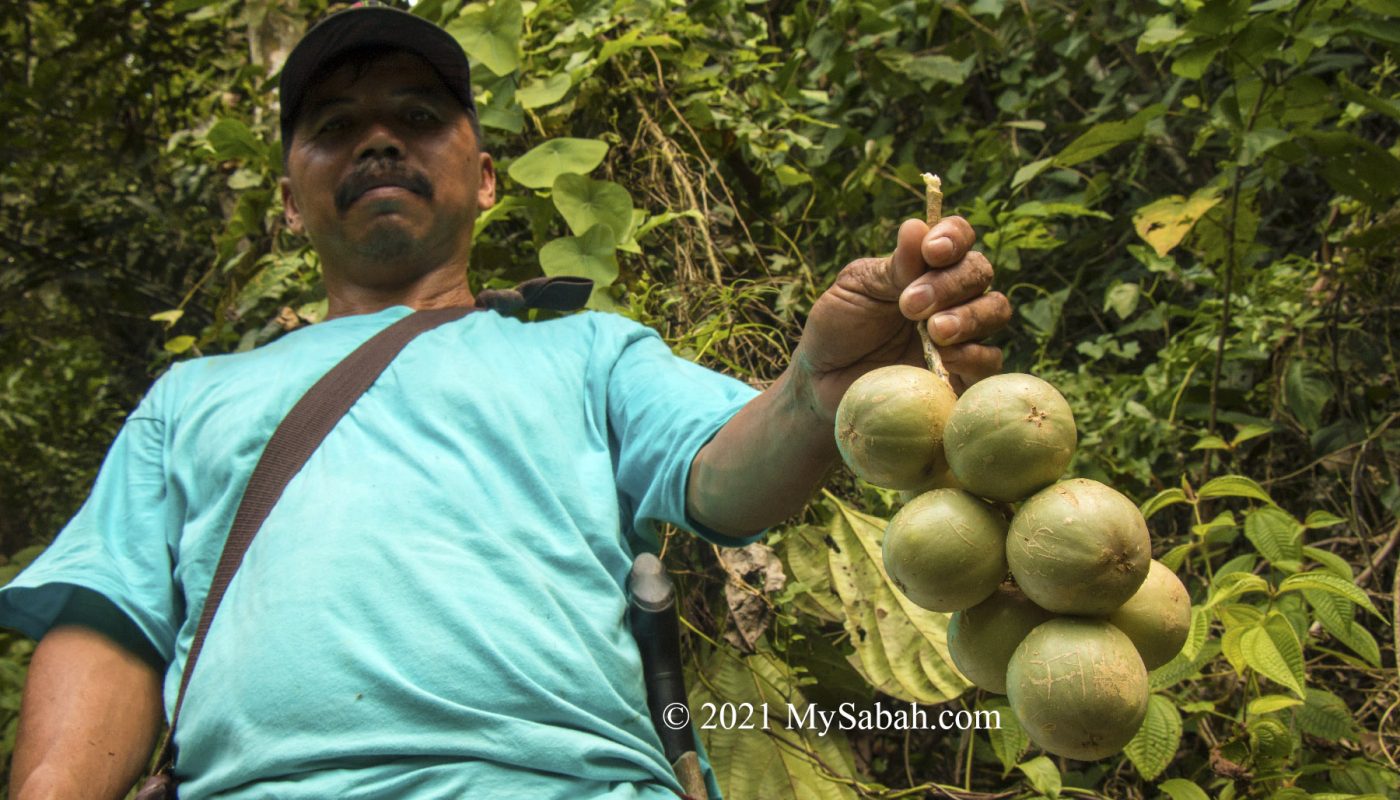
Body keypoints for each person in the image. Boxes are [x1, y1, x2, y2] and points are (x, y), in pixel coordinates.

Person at [2, 6, 1011, 800]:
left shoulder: (590, 353)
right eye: (336, 126)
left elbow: (728, 476)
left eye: (420, 115)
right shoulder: (192, 398)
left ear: (484, 180)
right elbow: (111, 627)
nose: (381, 139)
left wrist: (818, 387)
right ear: (288, 197)